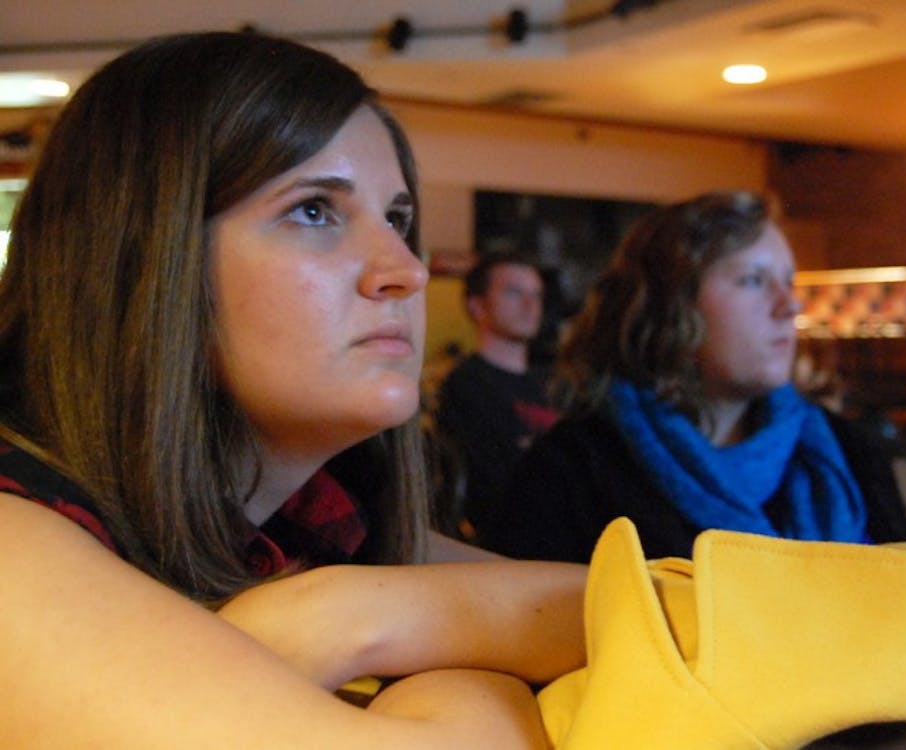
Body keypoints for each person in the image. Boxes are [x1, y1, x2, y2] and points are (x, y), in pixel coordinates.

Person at [0, 31, 588, 748]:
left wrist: (346, 613)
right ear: (141, 254)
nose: (406, 269)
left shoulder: (311, 526)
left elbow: (672, 609)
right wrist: (447, 659)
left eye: (398, 220)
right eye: (314, 210)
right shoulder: (14, 546)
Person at [477, 190, 906, 563]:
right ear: (672, 307)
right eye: (752, 280)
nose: (790, 305)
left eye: (788, 281)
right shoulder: (575, 470)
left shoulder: (849, 453)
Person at [434, 252, 559, 539]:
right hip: (515, 538)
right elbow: (496, 485)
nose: (531, 305)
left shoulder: (554, 382)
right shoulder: (466, 384)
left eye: (536, 294)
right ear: (477, 306)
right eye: (514, 293)